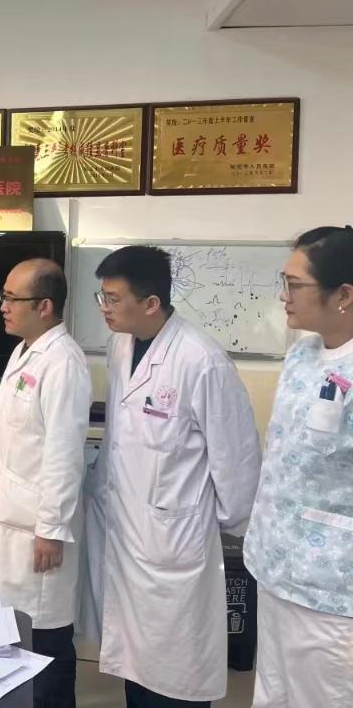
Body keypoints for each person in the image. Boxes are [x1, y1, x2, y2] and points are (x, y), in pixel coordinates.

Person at [82, 245, 261, 707]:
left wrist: (201, 522)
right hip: (127, 536)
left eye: (113, 298)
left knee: (175, 675)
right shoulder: (120, 346)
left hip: (175, 544)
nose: (104, 308)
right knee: (134, 668)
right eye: (102, 297)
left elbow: (238, 464)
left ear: (151, 303)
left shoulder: (202, 360)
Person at [0, 259, 90, 708]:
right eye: (2, 295)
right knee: (10, 639)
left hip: (35, 533)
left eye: (11, 298)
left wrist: (51, 530)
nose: (2, 306)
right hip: (4, 522)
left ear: (44, 306)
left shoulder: (63, 363)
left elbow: (64, 453)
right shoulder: (25, 351)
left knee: (45, 643)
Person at [243, 226, 353, 707]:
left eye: (295, 284)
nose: (283, 295)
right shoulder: (302, 355)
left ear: (343, 295)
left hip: (333, 588)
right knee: (273, 695)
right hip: (275, 565)